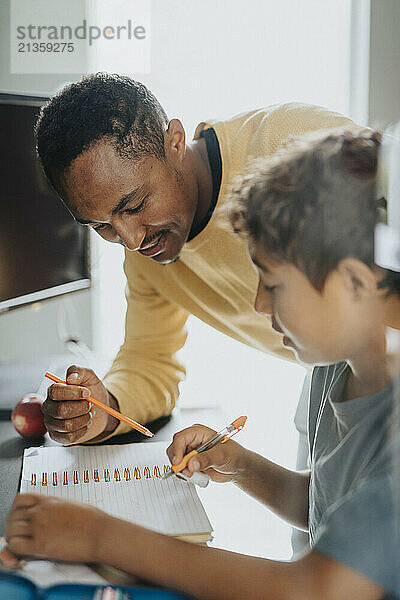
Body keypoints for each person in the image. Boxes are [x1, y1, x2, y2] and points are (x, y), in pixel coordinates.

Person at [7, 128, 400, 599]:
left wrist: (100, 535)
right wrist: (240, 465)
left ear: (355, 284)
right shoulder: (338, 368)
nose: (257, 304)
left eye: (273, 286)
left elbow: (315, 588)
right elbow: (328, 508)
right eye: (104, 226)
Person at [34, 72, 361, 445]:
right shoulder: (148, 253)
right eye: (101, 226)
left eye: (136, 205)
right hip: (334, 390)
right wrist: (102, 410)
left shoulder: (290, 143)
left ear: (174, 141)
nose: (131, 239)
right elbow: (150, 360)